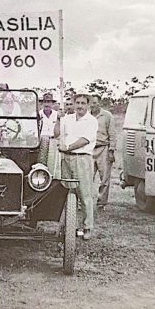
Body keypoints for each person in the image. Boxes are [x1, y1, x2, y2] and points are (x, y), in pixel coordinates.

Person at [55, 94, 98, 240]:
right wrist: (58, 119)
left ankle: (87, 227)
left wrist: (67, 147)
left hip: (82, 159)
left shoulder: (91, 121)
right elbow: (56, 134)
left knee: (84, 194)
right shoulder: (67, 119)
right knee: (66, 192)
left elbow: (85, 140)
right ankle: (66, 225)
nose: (79, 106)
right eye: (77, 103)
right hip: (66, 159)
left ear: (88, 105)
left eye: (83, 103)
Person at [89, 95, 117, 210]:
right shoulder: (86, 116)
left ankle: (101, 203)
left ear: (99, 103)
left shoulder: (107, 116)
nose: (93, 105)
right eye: (91, 103)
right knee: (86, 177)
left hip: (103, 148)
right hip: (89, 148)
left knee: (104, 178)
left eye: (95, 103)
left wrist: (111, 151)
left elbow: (112, 134)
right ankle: (84, 202)